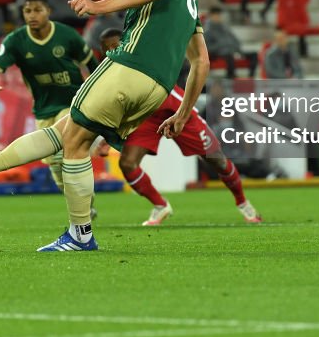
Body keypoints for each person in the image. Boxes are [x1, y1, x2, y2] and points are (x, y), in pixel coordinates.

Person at [0, 0, 209, 252]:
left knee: (70, 141)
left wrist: (97, 6)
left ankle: (80, 234)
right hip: (157, 88)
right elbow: (201, 61)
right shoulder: (188, 3)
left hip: (129, 67)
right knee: (67, 132)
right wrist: (182, 113)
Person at [99, 28, 261, 225]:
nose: (113, 50)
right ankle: (160, 205)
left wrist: (183, 115)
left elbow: (171, 86)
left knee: (217, 159)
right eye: (107, 48)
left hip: (175, 108)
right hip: (147, 118)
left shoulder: (145, 59)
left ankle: (243, 202)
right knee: (127, 163)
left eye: (116, 45)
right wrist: (108, 137)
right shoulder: (110, 74)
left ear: (126, 43)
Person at [0, 0, 98, 193]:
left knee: (64, 149)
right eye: (27, 11)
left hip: (72, 104)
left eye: (37, 10)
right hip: (44, 108)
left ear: (48, 12)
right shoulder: (16, 41)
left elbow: (92, 65)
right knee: (53, 161)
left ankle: (83, 199)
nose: (32, 15)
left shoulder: (67, 35)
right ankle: (80, 199)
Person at [203, 7, 257, 78]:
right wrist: (223, 46)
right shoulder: (208, 30)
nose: (218, 17)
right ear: (210, 16)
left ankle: (251, 77)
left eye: (219, 15)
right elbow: (208, 48)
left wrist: (237, 49)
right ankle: (231, 78)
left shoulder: (225, 27)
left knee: (254, 55)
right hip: (219, 53)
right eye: (215, 15)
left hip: (233, 50)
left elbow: (234, 39)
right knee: (229, 55)